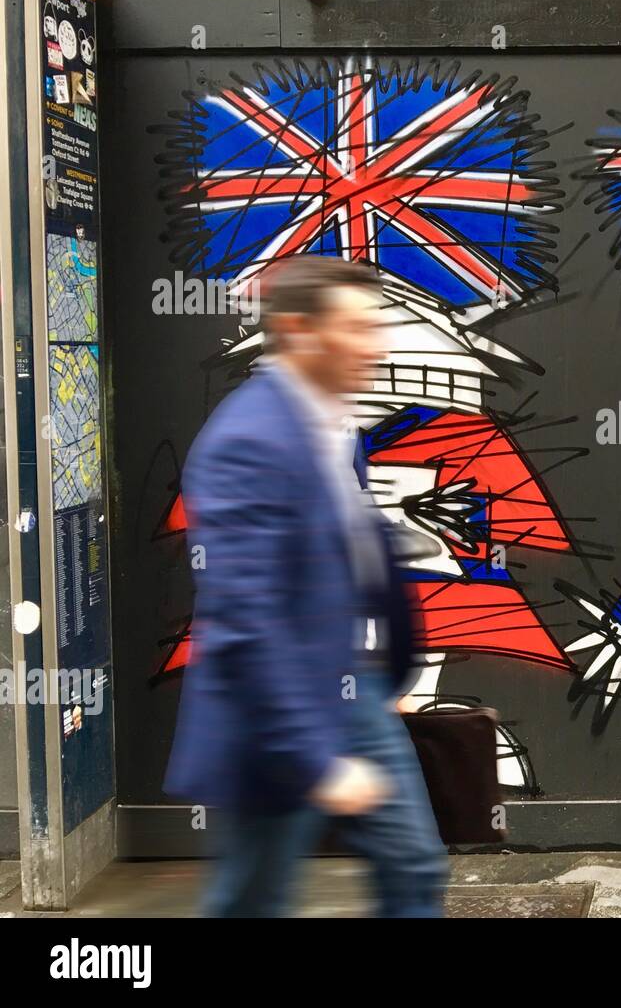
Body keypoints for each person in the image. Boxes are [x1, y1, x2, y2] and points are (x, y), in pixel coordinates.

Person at [165, 254, 448, 917]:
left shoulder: (335, 425)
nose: (373, 345)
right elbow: (246, 619)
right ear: (297, 329)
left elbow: (351, 559)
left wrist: (386, 676)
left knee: (413, 863)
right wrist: (315, 761)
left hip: (353, 687)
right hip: (274, 711)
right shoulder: (246, 441)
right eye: (356, 328)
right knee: (253, 899)